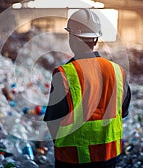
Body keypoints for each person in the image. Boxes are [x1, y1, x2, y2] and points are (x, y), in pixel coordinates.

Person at [44, 9, 131, 168]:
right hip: (109, 157)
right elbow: (123, 112)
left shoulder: (64, 74)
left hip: (72, 159)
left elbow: (53, 122)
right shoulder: (118, 72)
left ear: (72, 38)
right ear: (96, 39)